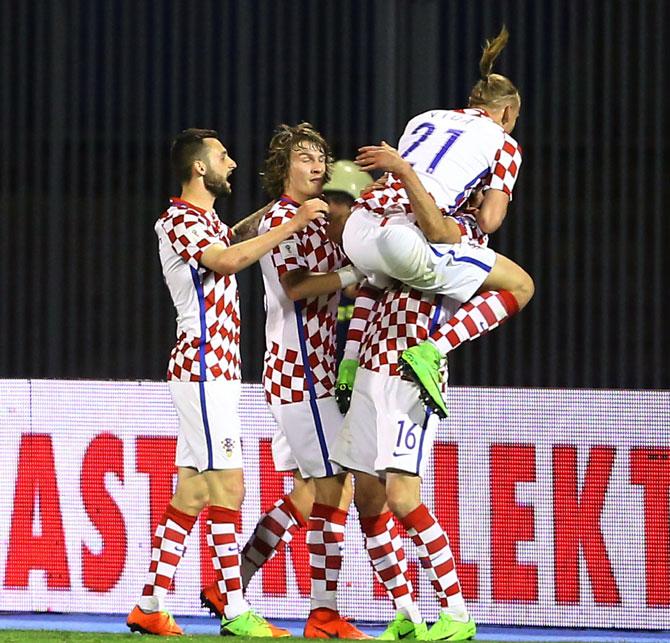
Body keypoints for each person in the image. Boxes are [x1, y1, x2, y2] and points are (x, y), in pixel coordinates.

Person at [126, 128, 326, 638]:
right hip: (202, 366)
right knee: (230, 485)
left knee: (192, 492)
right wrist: (294, 221)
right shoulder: (177, 219)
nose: (232, 163)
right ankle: (235, 607)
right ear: (198, 168)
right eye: (222, 156)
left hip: (215, 370)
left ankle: (150, 604)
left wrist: (281, 207)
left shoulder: (205, 220)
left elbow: (232, 237)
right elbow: (227, 258)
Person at [338, 26, 534, 419]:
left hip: (358, 230)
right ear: (508, 113)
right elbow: (492, 220)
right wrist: (473, 213)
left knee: (377, 275)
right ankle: (433, 350)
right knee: (520, 285)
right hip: (405, 235)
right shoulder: (504, 143)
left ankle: (349, 362)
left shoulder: (423, 118)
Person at [331, 279, 477, 641]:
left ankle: (456, 612)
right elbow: (368, 291)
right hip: (369, 370)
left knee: (402, 497)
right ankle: (406, 613)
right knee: (368, 501)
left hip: (412, 375)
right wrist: (350, 359)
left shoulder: (450, 240)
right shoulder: (386, 229)